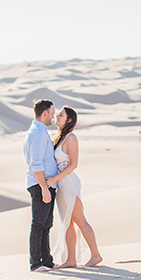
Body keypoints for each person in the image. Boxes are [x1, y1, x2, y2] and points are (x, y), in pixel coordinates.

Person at [45, 106, 102, 268]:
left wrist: (54, 178)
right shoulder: (58, 137)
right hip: (61, 185)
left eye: (61, 115)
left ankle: (96, 255)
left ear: (68, 120)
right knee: (67, 223)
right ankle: (71, 260)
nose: (57, 116)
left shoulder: (71, 137)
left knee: (80, 220)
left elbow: (74, 164)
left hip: (69, 183)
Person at [23, 99, 58, 272]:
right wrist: (44, 187)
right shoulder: (37, 133)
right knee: (38, 224)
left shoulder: (40, 131)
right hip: (40, 184)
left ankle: (46, 260)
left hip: (45, 184)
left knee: (46, 224)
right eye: (52, 114)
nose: (53, 117)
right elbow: (36, 163)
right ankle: (35, 262)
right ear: (44, 114)